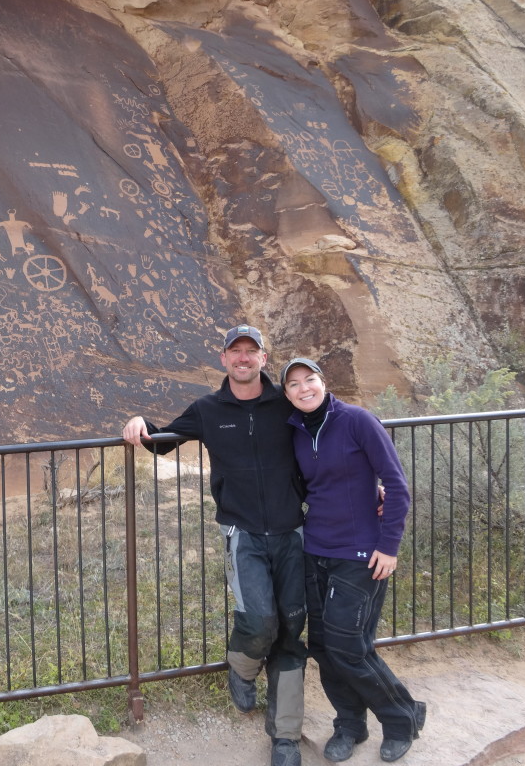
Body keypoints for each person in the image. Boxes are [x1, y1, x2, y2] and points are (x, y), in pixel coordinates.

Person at [123, 325, 307, 766]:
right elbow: (165, 440)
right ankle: (241, 669)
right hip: (241, 533)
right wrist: (141, 424)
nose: (243, 358)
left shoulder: (287, 401)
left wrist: (371, 484)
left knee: (292, 626)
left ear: (264, 358)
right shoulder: (208, 409)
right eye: (235, 351)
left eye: (252, 351)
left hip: (293, 531)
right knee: (260, 619)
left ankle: (285, 738)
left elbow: (333, 432)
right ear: (223, 359)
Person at [280, 358, 427, 763]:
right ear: (287, 394)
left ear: (323, 381)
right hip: (316, 549)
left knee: (349, 646)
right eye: (293, 384)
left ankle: (402, 718)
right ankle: (350, 724)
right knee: (325, 646)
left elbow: (396, 485)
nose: (303, 388)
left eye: (309, 379)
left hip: (361, 552)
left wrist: (390, 545)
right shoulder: (293, 430)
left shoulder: (357, 420)